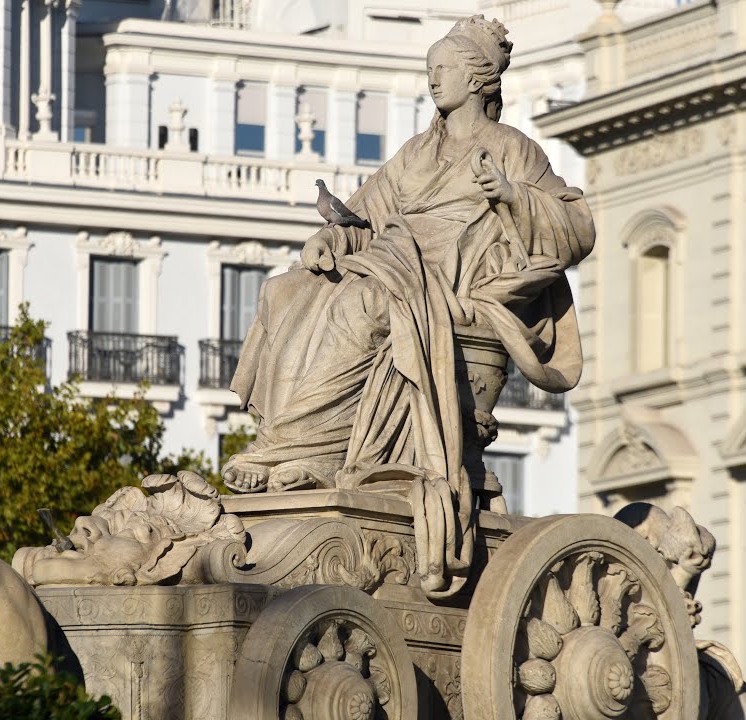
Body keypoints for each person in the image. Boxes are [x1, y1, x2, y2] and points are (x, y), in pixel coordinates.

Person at [222, 15, 596, 595]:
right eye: (429, 70)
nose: (432, 80)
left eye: (442, 69)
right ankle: (281, 445)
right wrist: (331, 239)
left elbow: (575, 227)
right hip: (397, 261)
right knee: (286, 289)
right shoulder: (414, 153)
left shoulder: (511, 149)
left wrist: (512, 195)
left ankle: (308, 453)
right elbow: (363, 216)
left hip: (447, 281)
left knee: (367, 302)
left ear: (477, 79)